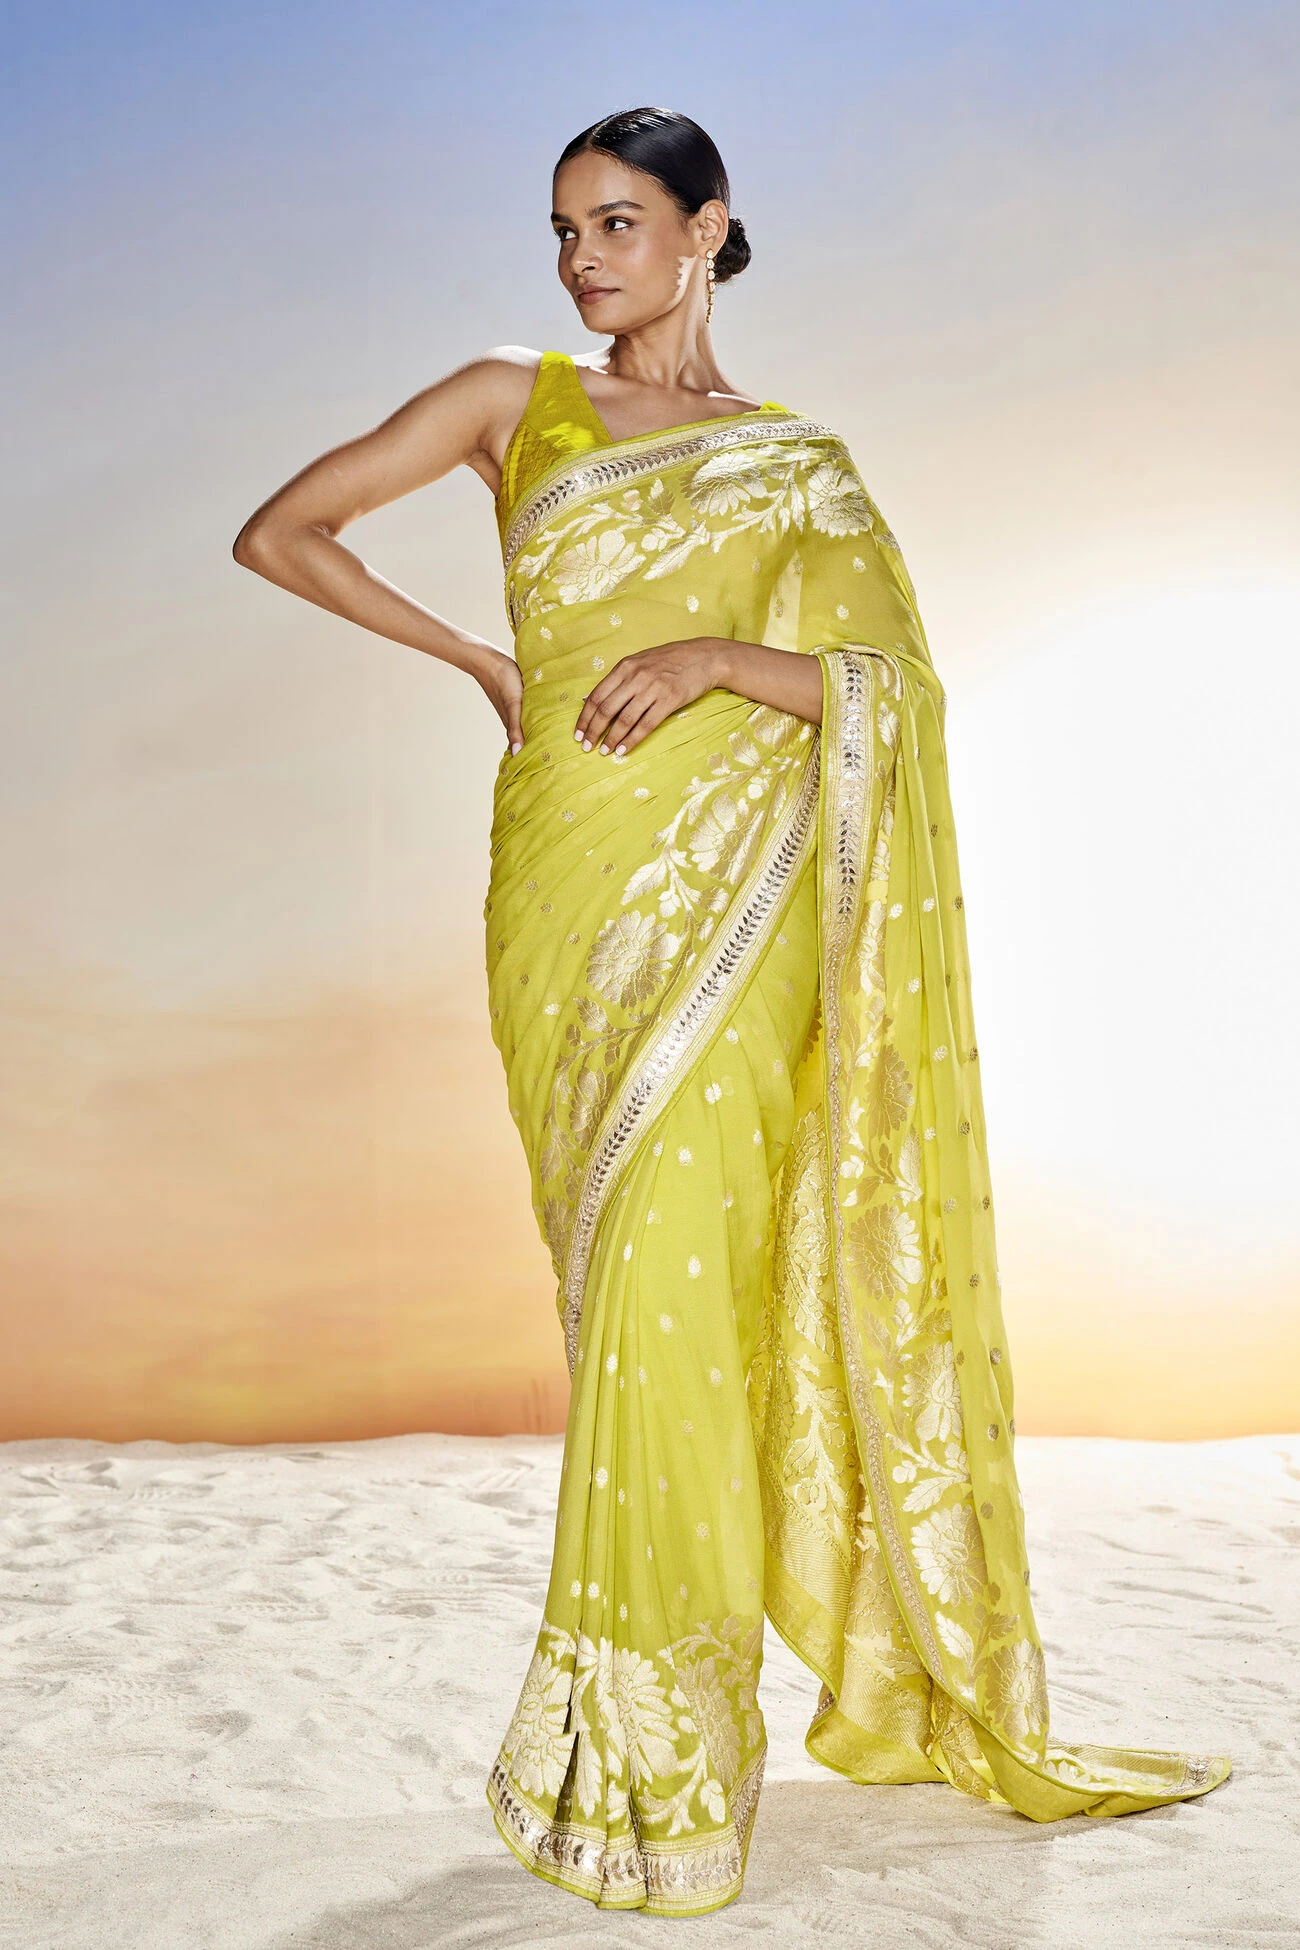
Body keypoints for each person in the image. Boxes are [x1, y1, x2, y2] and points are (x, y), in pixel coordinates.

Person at [233, 104, 1231, 1921]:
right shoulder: (510, 401)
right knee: (627, 1276)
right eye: (562, 229)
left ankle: (670, 1750)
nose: (580, 260)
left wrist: (709, 656)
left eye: (617, 222)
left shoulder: (800, 465)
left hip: (747, 910)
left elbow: (894, 693)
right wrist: (475, 657)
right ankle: (655, 1723)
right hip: (573, 893)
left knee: (687, 1276)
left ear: (706, 229)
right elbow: (281, 532)